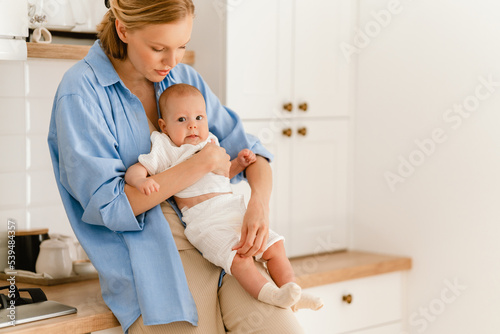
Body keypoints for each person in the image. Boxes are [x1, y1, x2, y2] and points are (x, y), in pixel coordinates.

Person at [47, 0, 308, 333]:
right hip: (154, 266)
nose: (172, 61)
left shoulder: (182, 78)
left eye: (182, 46)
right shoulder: (81, 92)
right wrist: (198, 165)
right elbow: (110, 206)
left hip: (225, 244)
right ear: (123, 30)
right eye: (159, 48)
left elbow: (252, 152)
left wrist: (259, 205)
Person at [125, 83, 324, 311]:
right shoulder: (166, 148)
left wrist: (239, 163)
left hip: (232, 210)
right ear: (164, 126)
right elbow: (136, 169)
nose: (192, 125)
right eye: (181, 120)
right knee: (239, 259)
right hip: (206, 222)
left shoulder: (210, 141)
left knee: (275, 247)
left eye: (199, 117)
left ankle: (292, 291)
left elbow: (223, 175)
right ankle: (271, 295)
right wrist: (141, 180)